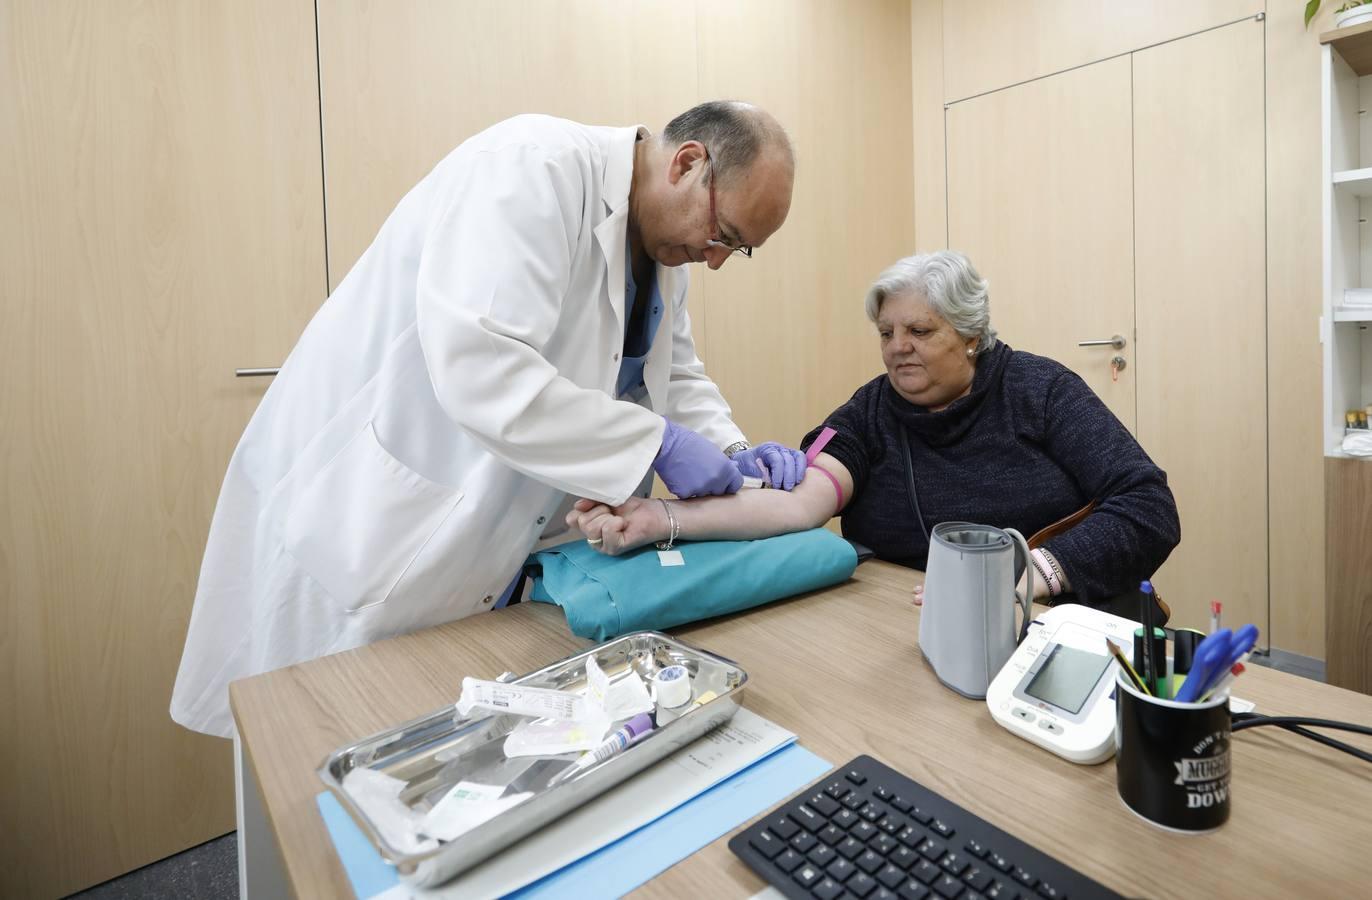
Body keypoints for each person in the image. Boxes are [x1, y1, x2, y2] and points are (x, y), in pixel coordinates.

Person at [171, 102, 808, 738]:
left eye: (739, 249)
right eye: (723, 233)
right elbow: (483, 365)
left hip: (507, 536)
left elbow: (671, 368)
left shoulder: (666, 250)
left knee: (443, 745)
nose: (717, 258)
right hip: (384, 513)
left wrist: (732, 446)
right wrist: (657, 442)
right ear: (688, 162)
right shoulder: (531, 170)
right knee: (316, 744)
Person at [567, 250, 1181, 608]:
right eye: (887, 333)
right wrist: (658, 519)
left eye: (921, 332)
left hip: (1048, 623)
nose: (898, 349)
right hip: (908, 624)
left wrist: (1037, 575)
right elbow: (798, 508)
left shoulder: (1041, 390)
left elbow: (1149, 504)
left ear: (971, 335)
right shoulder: (870, 411)